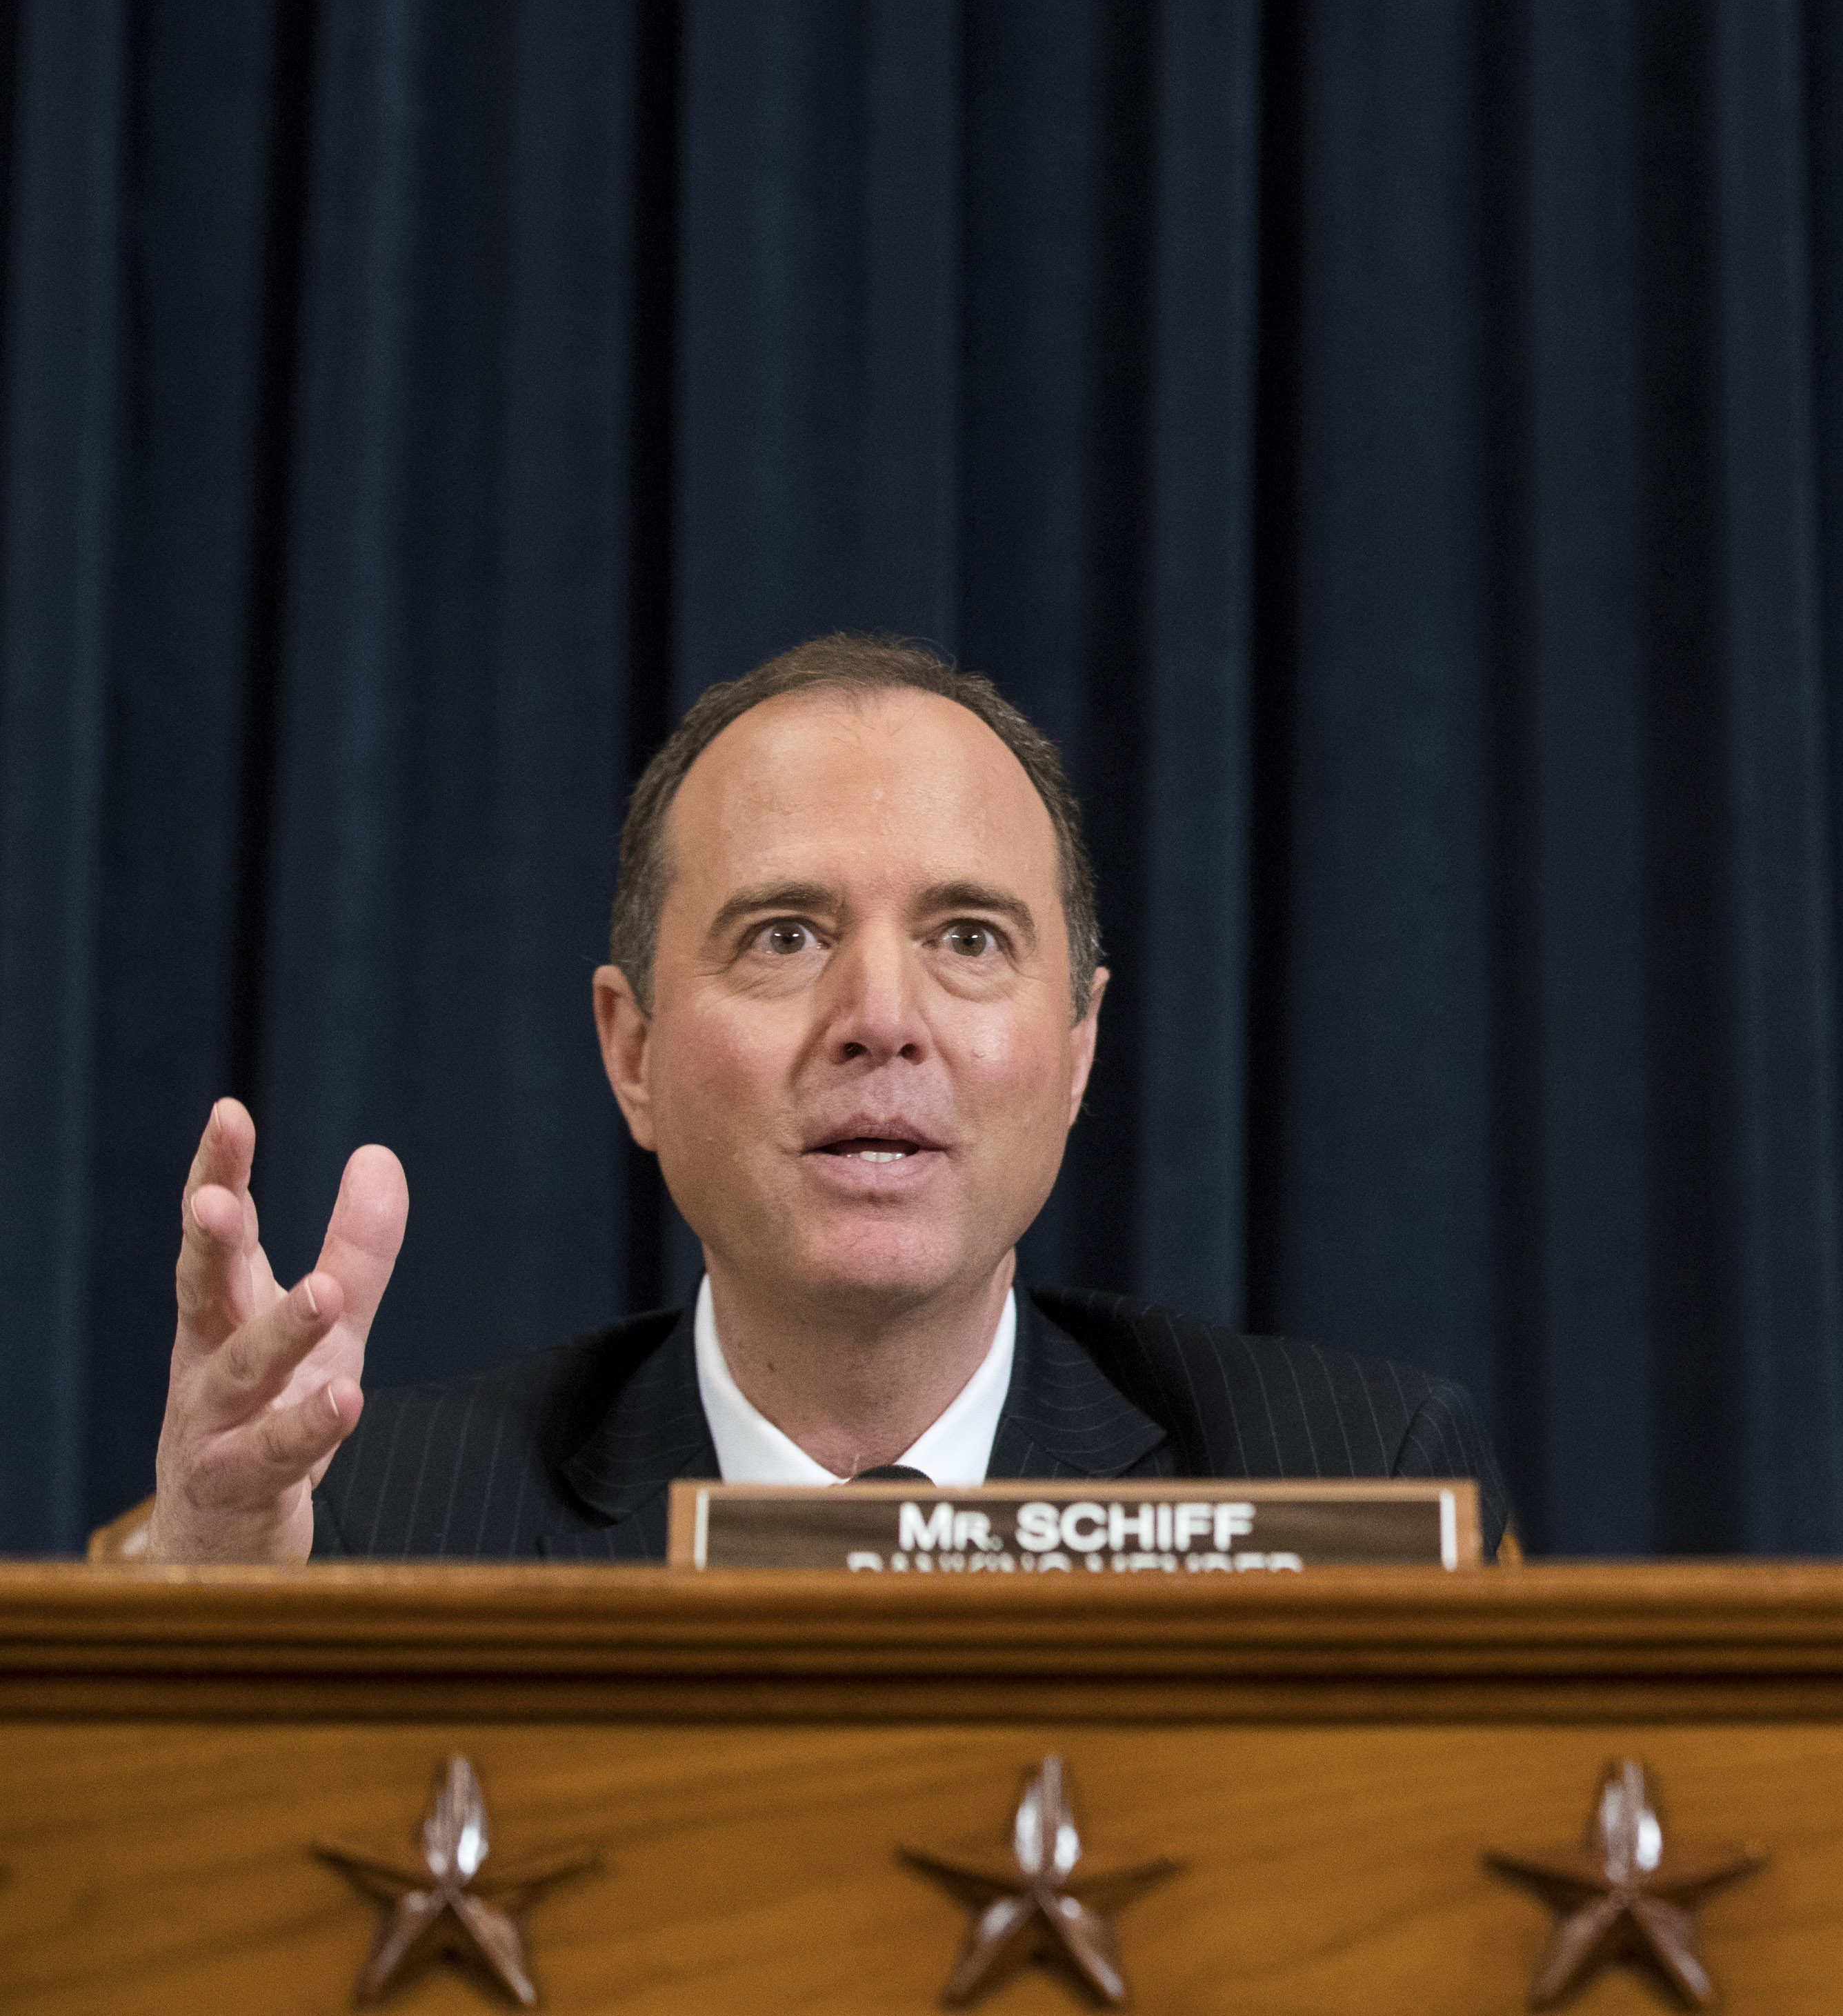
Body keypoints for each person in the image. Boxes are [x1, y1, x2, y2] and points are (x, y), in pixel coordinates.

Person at [141, 634, 1513, 1562]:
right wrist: (202, 1617)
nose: (879, 1019)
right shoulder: (366, 1522)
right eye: (784, 934)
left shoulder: (1360, 1480)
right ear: (633, 1050)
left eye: (969, 936)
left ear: (1081, 1043)